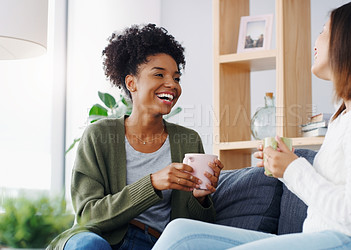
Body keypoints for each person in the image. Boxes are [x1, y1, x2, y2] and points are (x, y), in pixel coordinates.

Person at [151, 1, 351, 249]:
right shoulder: (345, 116)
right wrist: (286, 165)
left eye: (324, 31)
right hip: (324, 237)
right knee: (182, 233)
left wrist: (291, 169)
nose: (317, 39)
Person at [47, 24, 224, 250]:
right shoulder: (99, 135)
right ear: (131, 83)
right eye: (159, 74)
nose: (172, 84)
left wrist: (199, 198)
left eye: (176, 78)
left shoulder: (188, 140)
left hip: (158, 243)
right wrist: (152, 184)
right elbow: (88, 215)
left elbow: (195, 234)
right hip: (102, 240)